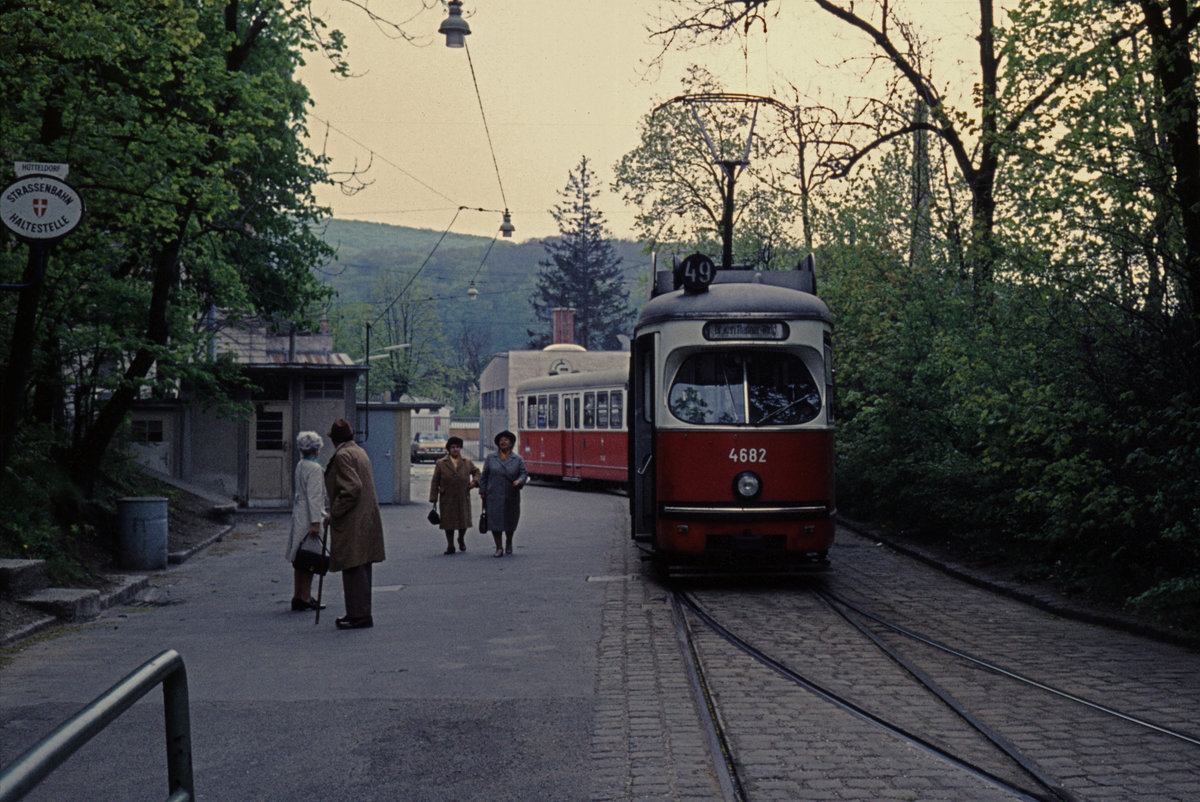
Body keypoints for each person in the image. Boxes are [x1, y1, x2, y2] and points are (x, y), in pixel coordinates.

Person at [323, 418, 385, 629]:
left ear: (334, 439)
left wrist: (335, 513)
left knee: (352, 567)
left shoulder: (343, 455)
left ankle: (358, 615)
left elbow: (351, 489)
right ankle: (359, 612)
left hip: (352, 519)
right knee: (362, 567)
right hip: (366, 517)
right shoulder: (358, 451)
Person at [286, 431, 327, 611]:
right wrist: (316, 522)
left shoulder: (301, 465)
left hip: (300, 513)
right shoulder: (315, 469)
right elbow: (315, 496)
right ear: (316, 449)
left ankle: (298, 594)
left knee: (300, 557)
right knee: (311, 558)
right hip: (310, 515)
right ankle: (306, 595)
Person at [479, 430, 528, 557]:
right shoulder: (491, 458)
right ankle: (499, 547)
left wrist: (519, 481)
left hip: (511, 495)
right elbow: (484, 476)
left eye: (506, 440)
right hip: (493, 495)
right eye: (501, 440)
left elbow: (524, 474)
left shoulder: (517, 459)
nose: (503, 442)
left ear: (511, 443)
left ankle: (509, 542)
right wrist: (482, 491)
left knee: (510, 520)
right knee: (495, 521)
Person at [429, 436, 480, 554]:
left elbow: (476, 472)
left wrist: (475, 482)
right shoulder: (441, 463)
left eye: (457, 447)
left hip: (463, 495)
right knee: (448, 522)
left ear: (460, 448)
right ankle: (450, 545)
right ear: (448, 449)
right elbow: (435, 481)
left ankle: (461, 539)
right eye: (452, 447)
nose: (455, 449)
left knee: (464, 520)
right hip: (447, 497)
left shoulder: (467, 462)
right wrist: (433, 498)